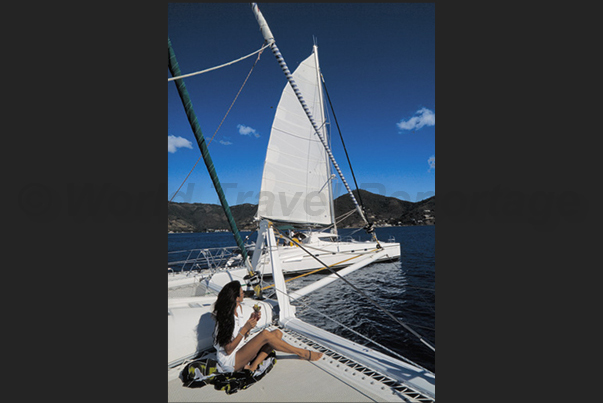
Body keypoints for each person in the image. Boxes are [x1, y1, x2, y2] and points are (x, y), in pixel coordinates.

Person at [212, 281, 323, 372]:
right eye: (241, 292)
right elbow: (228, 350)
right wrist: (245, 328)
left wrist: (251, 323)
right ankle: (302, 352)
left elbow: (243, 337)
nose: (244, 294)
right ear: (236, 298)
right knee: (265, 334)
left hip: (241, 350)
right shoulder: (225, 319)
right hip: (231, 362)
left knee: (277, 334)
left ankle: (253, 366)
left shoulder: (239, 309)